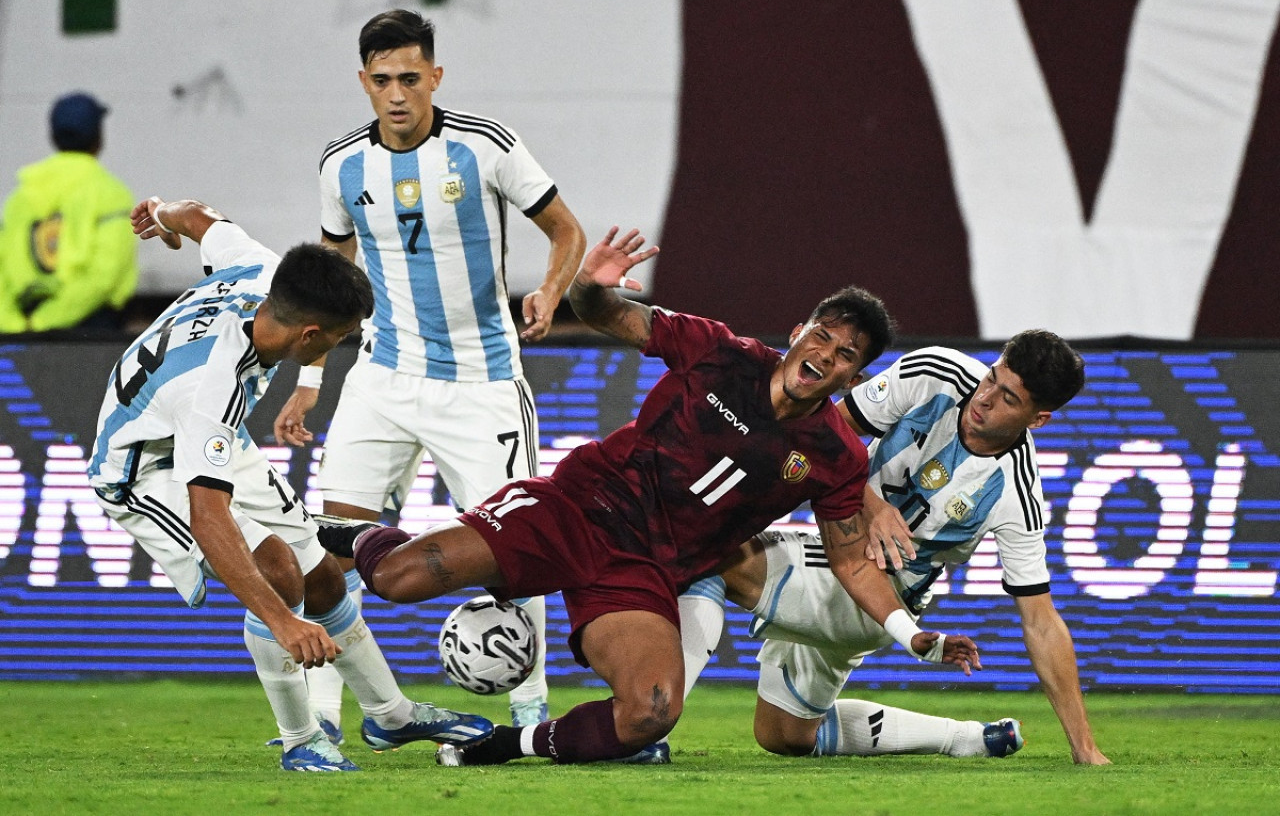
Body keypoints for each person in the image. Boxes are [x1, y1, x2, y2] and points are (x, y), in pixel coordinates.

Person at [315, 226, 981, 767]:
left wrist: (913, 632)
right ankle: (352, 534)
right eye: (823, 337)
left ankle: (508, 743)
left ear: (851, 375)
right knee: (397, 578)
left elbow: (851, 562)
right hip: (574, 509)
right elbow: (605, 314)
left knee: (652, 710)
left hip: (643, 572)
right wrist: (590, 283)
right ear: (804, 328)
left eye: (843, 355)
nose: (825, 355)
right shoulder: (719, 350)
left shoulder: (836, 453)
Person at [88, 197, 494, 771]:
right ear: (310, 335)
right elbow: (208, 517)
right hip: (143, 468)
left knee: (324, 576)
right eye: (343, 335)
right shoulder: (213, 386)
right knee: (279, 574)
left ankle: (390, 714)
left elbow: (203, 219)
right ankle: (302, 737)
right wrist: (284, 621)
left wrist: (160, 215)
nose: (342, 343)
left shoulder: (260, 270)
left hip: (208, 436)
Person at [271, 8, 586, 734]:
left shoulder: (486, 147)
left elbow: (566, 229)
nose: (397, 94)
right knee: (326, 544)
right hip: (382, 377)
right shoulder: (342, 165)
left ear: (436, 76)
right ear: (363, 82)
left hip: (481, 383)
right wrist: (312, 377)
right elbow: (332, 276)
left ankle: (530, 712)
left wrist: (549, 288)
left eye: (410, 77)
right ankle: (326, 719)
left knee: (518, 551)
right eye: (382, 80)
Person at [675, 330, 1112, 764]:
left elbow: (1040, 621)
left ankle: (652, 720)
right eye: (993, 378)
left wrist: (1085, 746)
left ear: (1039, 419)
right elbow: (820, 432)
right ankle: (964, 738)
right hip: (833, 547)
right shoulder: (936, 372)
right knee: (784, 735)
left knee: (706, 557)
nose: (985, 398)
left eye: (1009, 399)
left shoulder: (1016, 492)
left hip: (883, 596)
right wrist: (872, 504)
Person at [0, 92, 137, 333]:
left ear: (52, 136)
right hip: (90, 331)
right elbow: (103, 277)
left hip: (21, 326)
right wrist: (48, 320)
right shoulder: (110, 193)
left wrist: (15, 325)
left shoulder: (20, 196)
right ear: (99, 138)